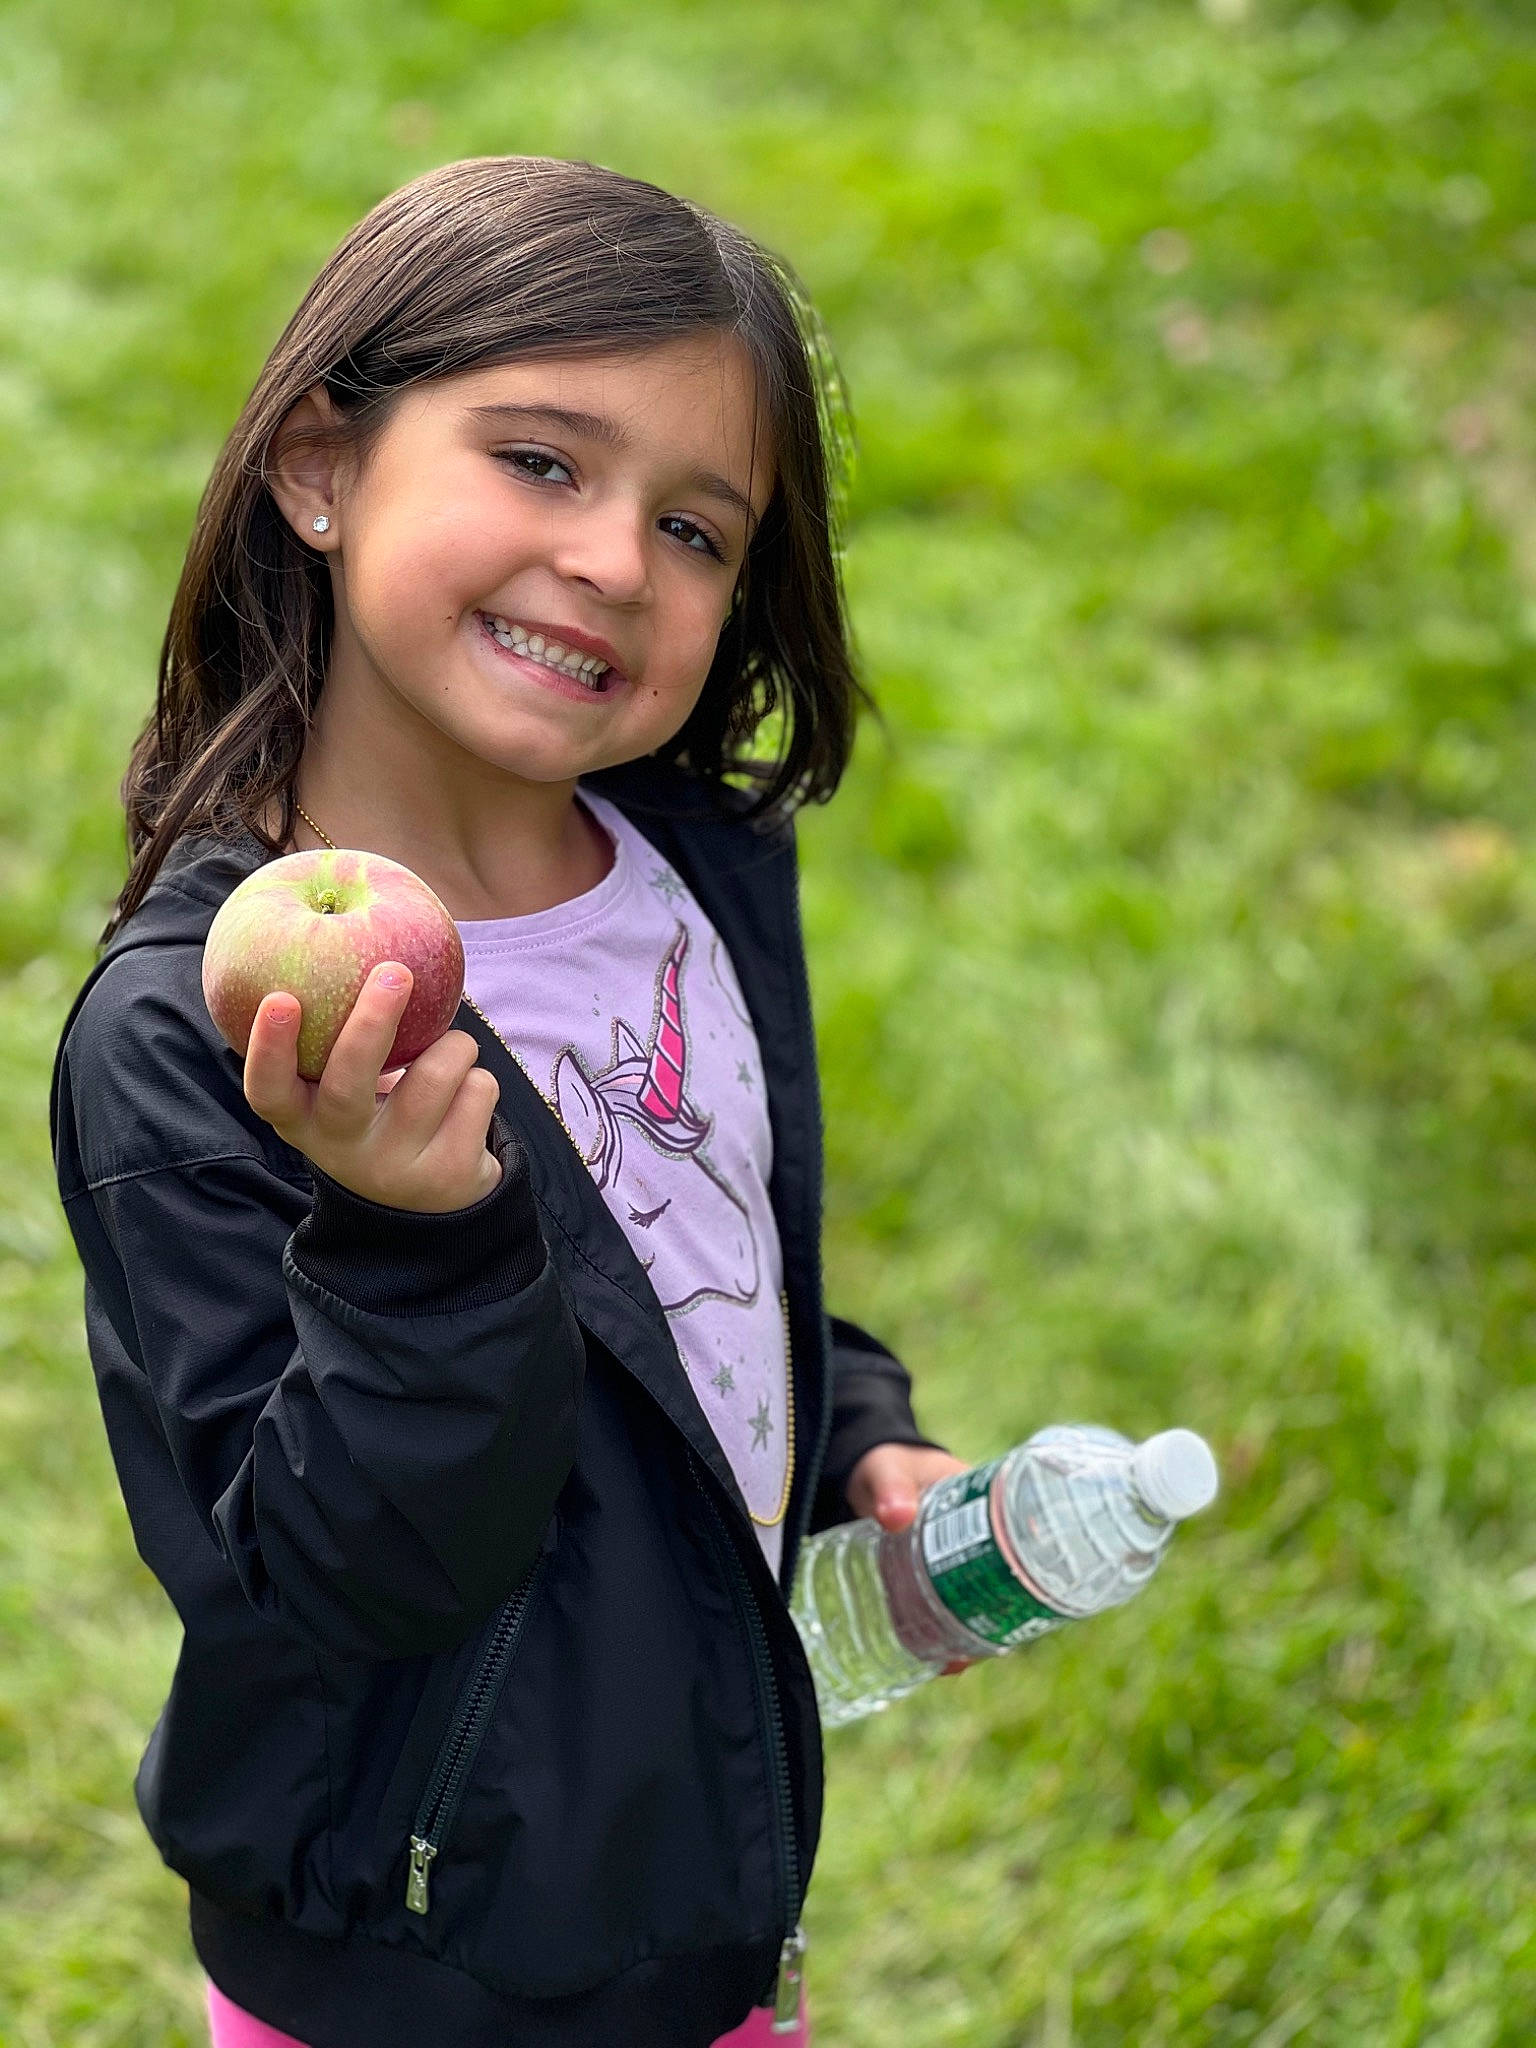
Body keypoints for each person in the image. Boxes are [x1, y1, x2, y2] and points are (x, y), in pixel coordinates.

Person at [50, 156, 969, 2048]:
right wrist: (409, 1232)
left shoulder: (690, 870)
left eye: (700, 529)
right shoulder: (203, 1034)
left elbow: (694, 1249)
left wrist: (853, 1413)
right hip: (419, 1961)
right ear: (321, 465)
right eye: (541, 463)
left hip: (698, 1894)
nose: (617, 561)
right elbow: (335, 1578)